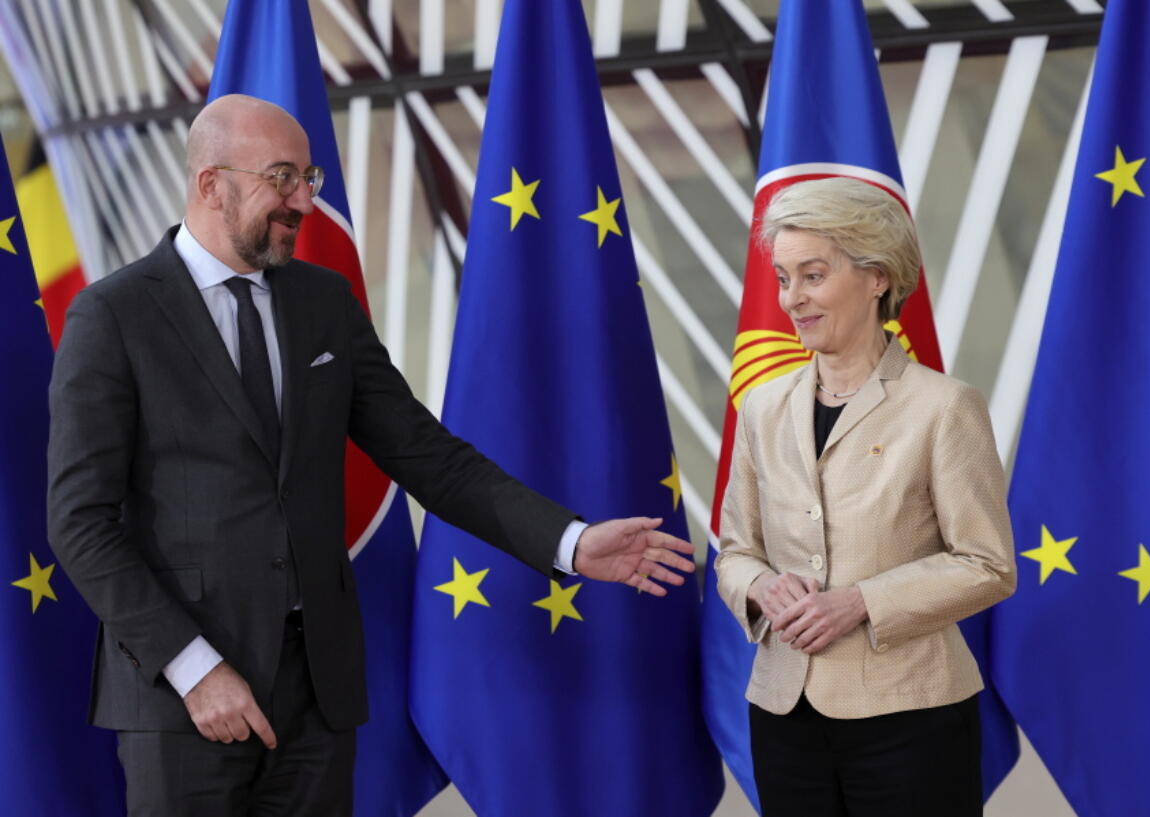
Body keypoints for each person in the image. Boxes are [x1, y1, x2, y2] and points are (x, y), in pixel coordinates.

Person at [46, 94, 695, 817]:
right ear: (210, 184)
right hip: (182, 698)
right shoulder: (113, 315)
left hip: (319, 695)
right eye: (282, 178)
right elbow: (80, 521)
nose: (304, 201)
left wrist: (570, 541)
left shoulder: (323, 300)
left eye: (310, 178)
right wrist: (195, 669)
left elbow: (427, 455)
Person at [715, 177, 1016, 816]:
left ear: (877, 276)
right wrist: (761, 587)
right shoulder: (762, 406)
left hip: (912, 715)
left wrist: (860, 603)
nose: (792, 299)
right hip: (783, 712)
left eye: (813, 276)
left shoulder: (945, 407)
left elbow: (988, 565)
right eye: (783, 278)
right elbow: (736, 551)